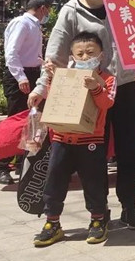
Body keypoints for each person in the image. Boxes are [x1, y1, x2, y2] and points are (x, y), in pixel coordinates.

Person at [29, 0, 135, 229]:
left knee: (130, 150)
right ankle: (99, 211)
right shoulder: (71, 11)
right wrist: (41, 87)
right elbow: (56, 55)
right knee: (94, 154)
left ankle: (129, 206)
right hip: (90, 91)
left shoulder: (123, 7)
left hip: (126, 87)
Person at [33, 32, 115, 247]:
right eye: (80, 54)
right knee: (54, 181)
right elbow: (55, 99)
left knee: (94, 182)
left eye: (91, 52)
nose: (85, 57)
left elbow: (107, 103)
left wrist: (95, 88)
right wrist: (51, 78)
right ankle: (52, 222)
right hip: (61, 138)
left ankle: (98, 220)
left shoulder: (107, 78)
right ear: (72, 56)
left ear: (101, 54)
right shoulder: (66, 75)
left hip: (91, 140)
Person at [0, 0, 50, 184]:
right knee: (16, 120)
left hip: (33, 74)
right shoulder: (22, 23)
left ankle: (24, 163)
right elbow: (11, 53)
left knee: (33, 121)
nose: (48, 15)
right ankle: (2, 166)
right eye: (48, 11)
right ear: (43, 8)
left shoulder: (35, 26)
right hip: (20, 75)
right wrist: (20, 77)